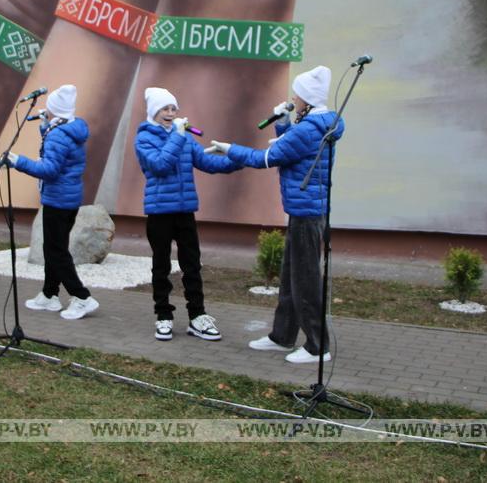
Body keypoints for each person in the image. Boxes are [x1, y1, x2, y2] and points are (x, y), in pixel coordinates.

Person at [207, 66, 344, 364]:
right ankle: (282, 336)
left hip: (307, 212)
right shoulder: (317, 124)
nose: (293, 97)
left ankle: (317, 347)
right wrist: (283, 123)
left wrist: (230, 149)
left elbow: (266, 158)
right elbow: (290, 147)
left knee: (305, 280)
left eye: (297, 94)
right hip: (303, 209)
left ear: (307, 99)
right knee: (291, 276)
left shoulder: (309, 129)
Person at [135, 87, 241, 341]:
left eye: (173, 109)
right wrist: (178, 137)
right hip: (159, 212)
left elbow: (209, 164)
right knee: (161, 266)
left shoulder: (182, 137)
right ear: (154, 112)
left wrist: (238, 156)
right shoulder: (144, 139)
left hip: (185, 211)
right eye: (165, 109)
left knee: (192, 265)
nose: (170, 114)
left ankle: (197, 316)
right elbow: (160, 166)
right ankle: (163, 316)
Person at [2, 84, 99, 320]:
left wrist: (19, 162)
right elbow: (56, 151)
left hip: (58, 199)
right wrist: (46, 125)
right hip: (68, 198)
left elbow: (50, 168)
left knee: (56, 252)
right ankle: (49, 294)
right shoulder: (68, 130)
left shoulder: (58, 135)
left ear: (54, 110)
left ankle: (82, 297)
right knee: (53, 248)